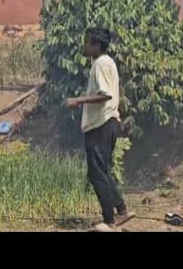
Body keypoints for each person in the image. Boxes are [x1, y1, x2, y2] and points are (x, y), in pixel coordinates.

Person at [63, 27, 129, 232]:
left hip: (101, 123)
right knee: (102, 170)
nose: (85, 46)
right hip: (108, 122)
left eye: (88, 42)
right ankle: (122, 210)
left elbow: (105, 94)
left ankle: (109, 220)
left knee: (96, 173)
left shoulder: (100, 64)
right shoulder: (106, 62)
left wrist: (77, 100)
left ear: (97, 45)